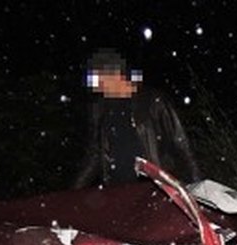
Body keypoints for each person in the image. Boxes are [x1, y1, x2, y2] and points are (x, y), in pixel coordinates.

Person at [72, 48, 201, 188]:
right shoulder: (100, 109)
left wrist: (197, 186)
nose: (97, 86)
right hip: (118, 190)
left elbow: (181, 146)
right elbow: (95, 154)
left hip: (155, 188)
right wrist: (74, 191)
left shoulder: (153, 101)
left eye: (99, 79)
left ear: (116, 73)